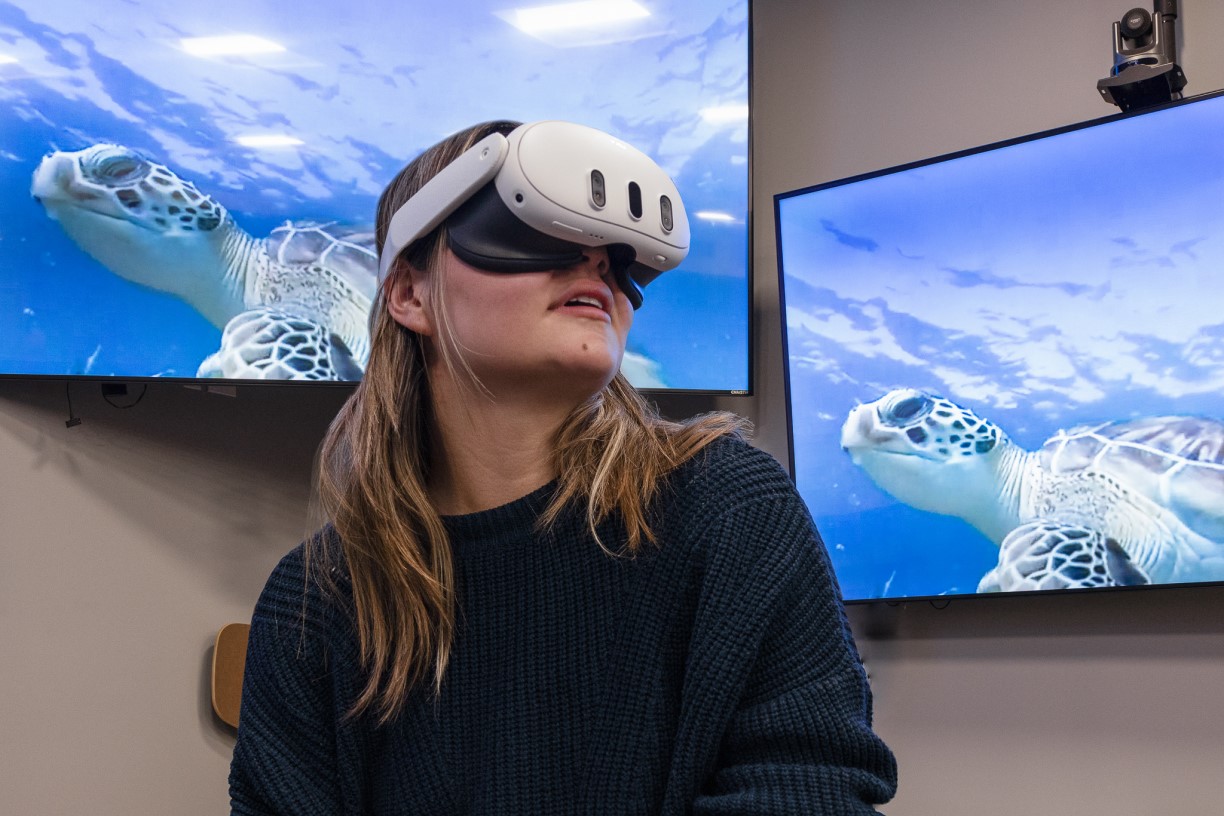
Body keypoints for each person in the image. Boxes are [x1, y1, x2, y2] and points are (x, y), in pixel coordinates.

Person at [229, 120, 897, 814]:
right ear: (409, 294)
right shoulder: (316, 600)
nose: (596, 267)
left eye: (618, 256)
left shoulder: (727, 510)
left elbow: (810, 794)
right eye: (533, 227)